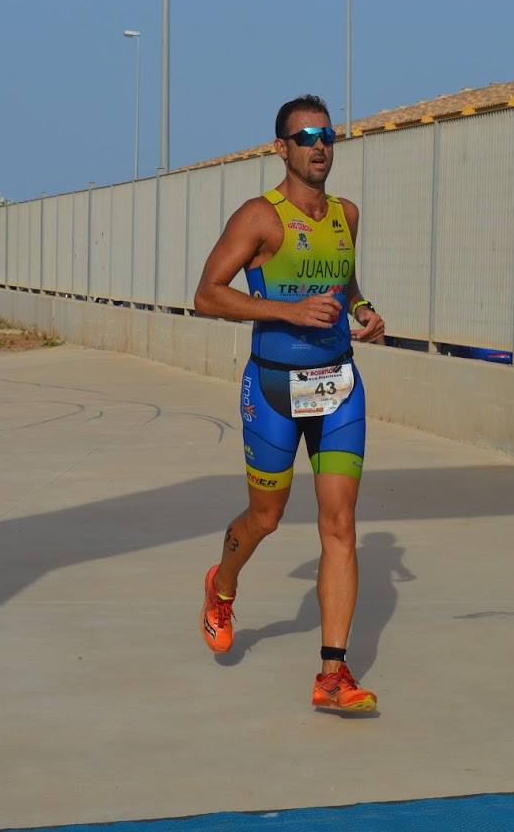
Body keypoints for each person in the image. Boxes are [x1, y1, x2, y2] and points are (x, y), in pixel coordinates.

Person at [193, 94, 386, 712]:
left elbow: (344, 277)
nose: (319, 145)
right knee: (266, 518)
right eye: (305, 136)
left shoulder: (348, 216)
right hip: (274, 389)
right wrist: (288, 310)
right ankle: (222, 586)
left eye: (327, 134)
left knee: (340, 525)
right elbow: (206, 295)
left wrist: (360, 309)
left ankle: (332, 673)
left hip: (339, 387)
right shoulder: (260, 217)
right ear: (282, 148)